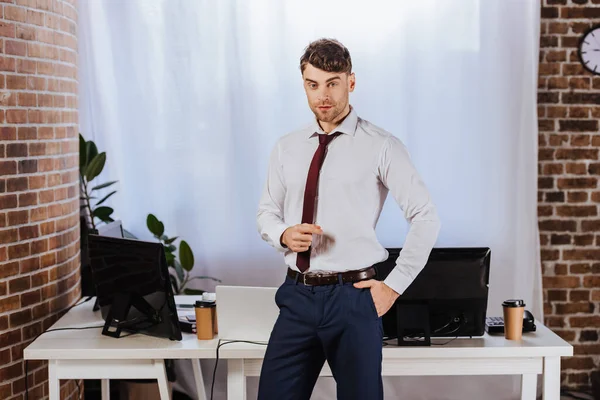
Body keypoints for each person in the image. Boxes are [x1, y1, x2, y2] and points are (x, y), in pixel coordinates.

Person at [256, 38, 441, 400]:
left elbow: (425, 216)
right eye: (313, 85)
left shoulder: (382, 145)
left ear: (350, 82)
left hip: (353, 299)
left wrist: (394, 286)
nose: (322, 95)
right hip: (297, 295)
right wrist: (282, 234)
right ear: (304, 85)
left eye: (332, 83)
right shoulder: (287, 147)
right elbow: (267, 212)